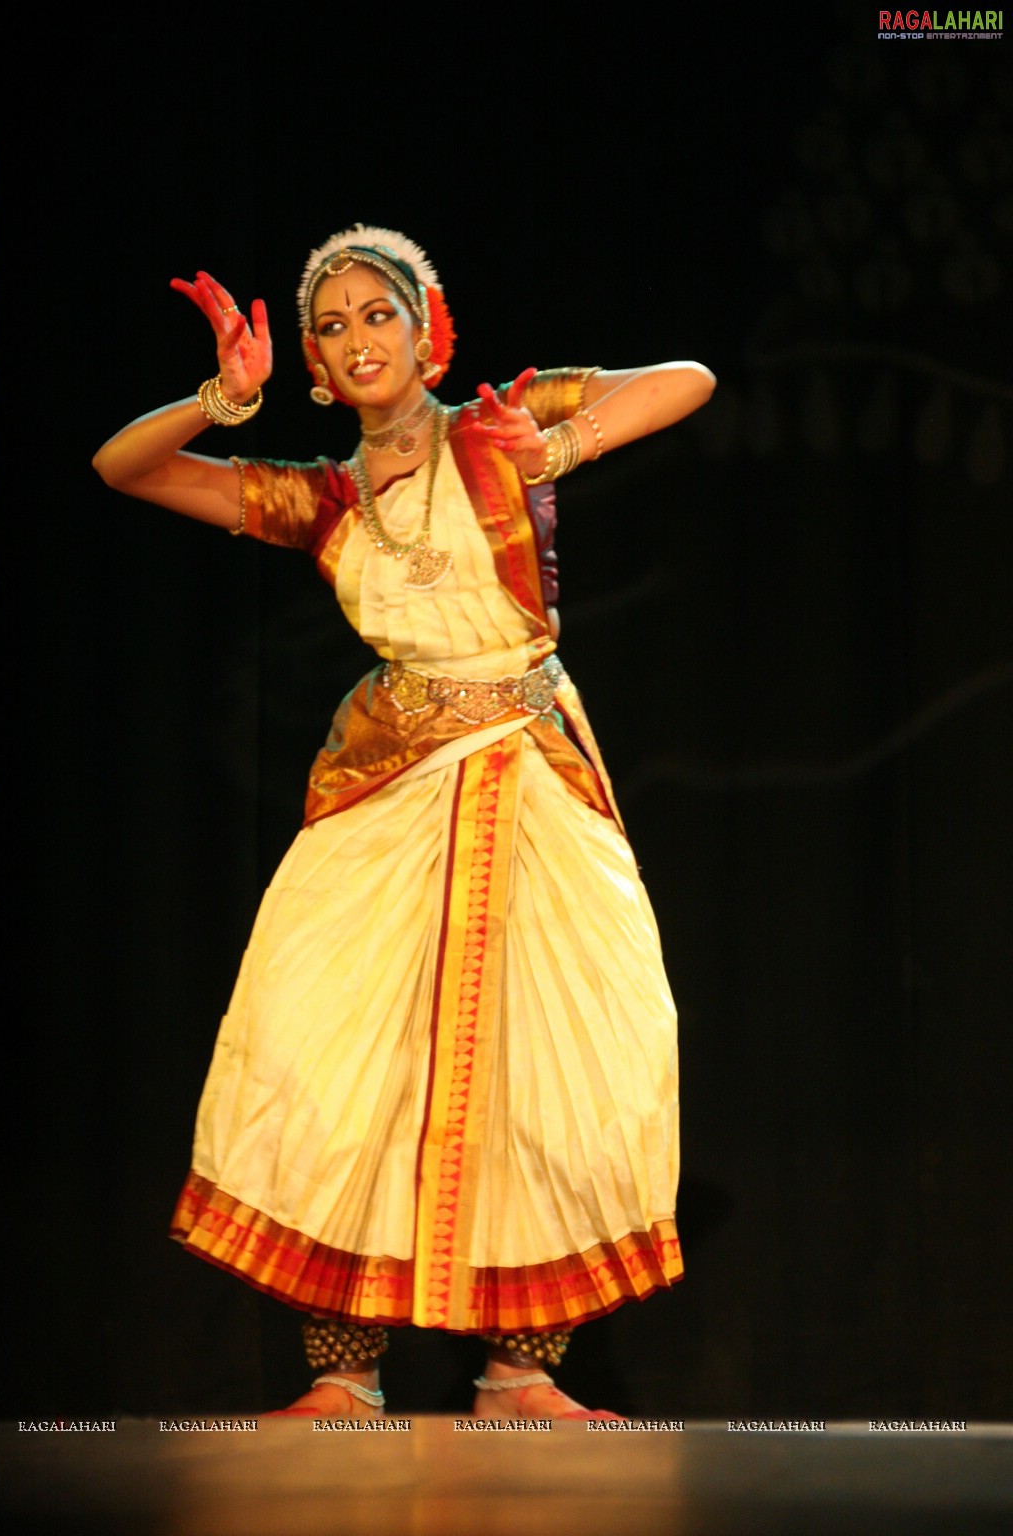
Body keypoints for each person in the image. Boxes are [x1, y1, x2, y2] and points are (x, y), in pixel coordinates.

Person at [93, 223, 716, 1422]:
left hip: (530, 774)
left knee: (564, 1064)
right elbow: (125, 468)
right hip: (389, 785)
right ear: (314, 372)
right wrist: (218, 401)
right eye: (329, 326)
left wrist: (558, 442)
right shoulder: (318, 501)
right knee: (328, 1061)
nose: (355, 337)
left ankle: (521, 1373)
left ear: (429, 335)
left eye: (378, 313)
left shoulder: (499, 427)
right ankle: (342, 1373)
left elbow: (686, 381)